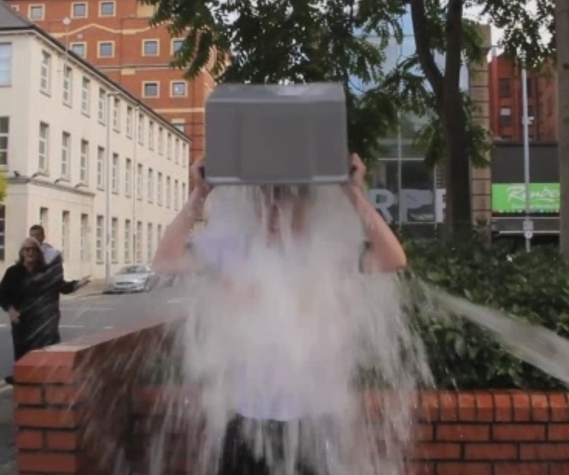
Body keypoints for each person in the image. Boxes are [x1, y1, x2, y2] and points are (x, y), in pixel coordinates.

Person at [152, 153, 407, 475]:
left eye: (284, 198)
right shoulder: (232, 249)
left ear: (304, 204)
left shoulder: (329, 250)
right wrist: (199, 195)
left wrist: (353, 192)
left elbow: (392, 258)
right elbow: (165, 260)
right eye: (266, 198)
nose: (274, 208)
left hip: (314, 422)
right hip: (247, 422)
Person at [0, 237, 90, 385]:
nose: (30, 252)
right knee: (24, 354)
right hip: (23, 322)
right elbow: (2, 295)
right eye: (27, 249)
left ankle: (46, 383)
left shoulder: (45, 273)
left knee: (45, 352)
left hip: (44, 321)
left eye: (34, 249)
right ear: (22, 253)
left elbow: (61, 286)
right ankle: (23, 382)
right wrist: (11, 310)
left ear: (39, 253)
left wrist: (78, 284)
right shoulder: (13, 272)